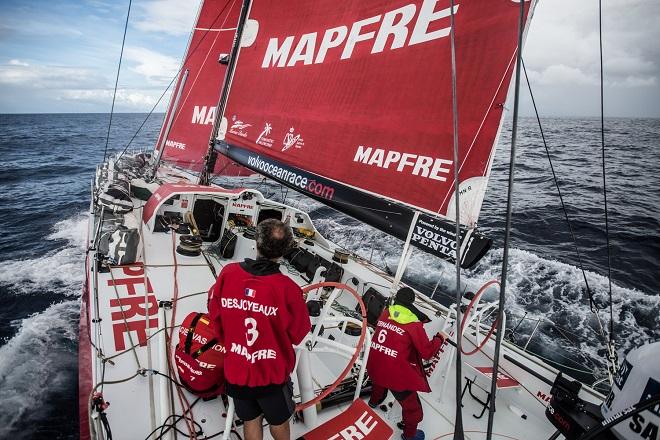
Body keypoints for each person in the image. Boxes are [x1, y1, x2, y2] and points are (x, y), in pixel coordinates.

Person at [208, 219, 311, 440]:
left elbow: (216, 318)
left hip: (237, 370)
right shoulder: (289, 290)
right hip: (271, 377)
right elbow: (299, 332)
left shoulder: (228, 274)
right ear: (285, 251)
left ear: (256, 242)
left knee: (250, 420)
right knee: (279, 422)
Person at [367, 287, 445, 440]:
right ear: (411, 304)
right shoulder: (414, 325)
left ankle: (373, 402)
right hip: (395, 376)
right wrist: (439, 339)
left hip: (373, 366)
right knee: (413, 409)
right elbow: (427, 353)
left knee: (379, 382)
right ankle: (409, 435)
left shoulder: (385, 313)